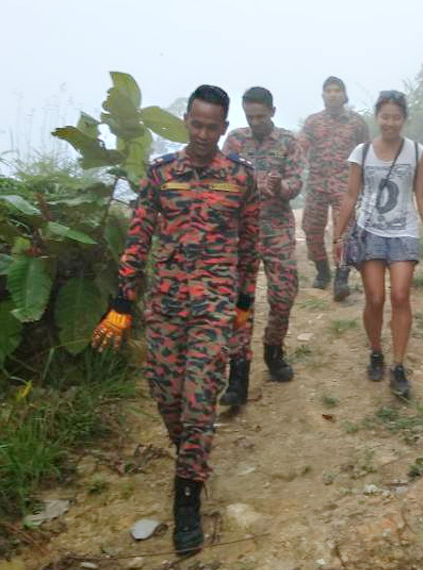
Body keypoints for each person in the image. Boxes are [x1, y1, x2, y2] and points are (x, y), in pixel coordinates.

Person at [91, 85, 260, 554]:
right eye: (197, 123)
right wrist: (123, 302)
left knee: (200, 398)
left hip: (214, 306)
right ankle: (190, 449)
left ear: (224, 128)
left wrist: (244, 304)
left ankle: (186, 496)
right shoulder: (162, 173)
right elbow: (138, 238)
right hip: (164, 307)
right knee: (168, 397)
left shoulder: (241, 178)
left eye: (213, 126)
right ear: (187, 120)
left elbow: (250, 245)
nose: (204, 134)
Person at [333, 90, 423, 399]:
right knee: (375, 298)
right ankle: (376, 351)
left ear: (404, 119)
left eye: (396, 117)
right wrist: (338, 235)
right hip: (369, 232)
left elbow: (421, 195)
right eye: (385, 117)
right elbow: (351, 196)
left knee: (401, 295)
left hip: (403, 232)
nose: (390, 123)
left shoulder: (418, 152)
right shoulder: (361, 152)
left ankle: (399, 365)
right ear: (377, 117)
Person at [221, 87, 304, 400]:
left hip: (277, 228)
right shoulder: (235, 140)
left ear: (272, 111)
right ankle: (238, 374)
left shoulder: (288, 141)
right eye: (249, 116)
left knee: (284, 294)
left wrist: (280, 186)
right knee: (241, 302)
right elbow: (223, 178)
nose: (255, 121)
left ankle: (273, 349)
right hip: (241, 231)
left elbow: (297, 182)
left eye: (260, 115)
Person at [301, 76, 370, 300]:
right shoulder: (312, 122)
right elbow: (300, 149)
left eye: (337, 90)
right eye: (328, 90)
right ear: (322, 96)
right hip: (317, 184)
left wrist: (365, 183)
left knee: (344, 232)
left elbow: (366, 152)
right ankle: (322, 271)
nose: (332, 94)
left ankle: (342, 277)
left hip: (345, 185)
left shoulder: (356, 122)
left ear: (344, 94)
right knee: (311, 227)